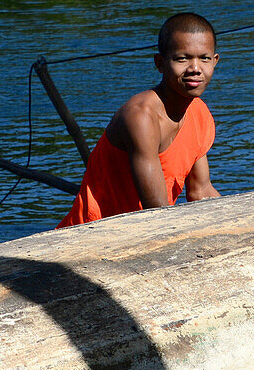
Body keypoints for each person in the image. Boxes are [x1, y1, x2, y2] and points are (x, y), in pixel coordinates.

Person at [57, 13, 220, 228]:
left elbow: (201, 192)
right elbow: (158, 211)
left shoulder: (199, 112)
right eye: (182, 58)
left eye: (204, 58)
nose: (195, 68)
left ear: (215, 61)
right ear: (160, 63)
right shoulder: (141, 116)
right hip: (93, 234)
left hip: (144, 230)